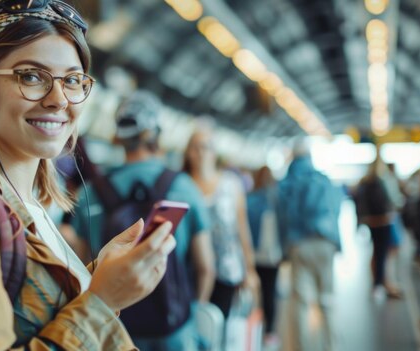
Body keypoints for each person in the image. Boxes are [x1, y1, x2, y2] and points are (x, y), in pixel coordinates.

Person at [0, 1, 177, 349]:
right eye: (31, 76)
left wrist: (97, 277)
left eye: (72, 80)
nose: (59, 99)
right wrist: (102, 302)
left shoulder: (28, 203)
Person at [71, 91, 215, 350]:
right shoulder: (184, 187)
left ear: (117, 136)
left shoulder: (89, 193)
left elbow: (82, 267)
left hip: (112, 331)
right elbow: (205, 266)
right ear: (156, 134)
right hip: (174, 332)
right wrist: (192, 313)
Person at [182, 128, 258, 321]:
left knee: (218, 326)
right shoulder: (180, 185)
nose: (201, 153)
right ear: (188, 152)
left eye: (206, 147)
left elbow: (242, 228)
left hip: (226, 269)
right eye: (195, 147)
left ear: (214, 153)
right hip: (188, 271)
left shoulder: (231, 184)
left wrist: (250, 269)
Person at [276, 139, 342, 351]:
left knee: (301, 304)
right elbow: (335, 210)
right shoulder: (322, 179)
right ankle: (331, 346)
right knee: (327, 300)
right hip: (325, 243)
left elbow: (282, 217)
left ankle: (301, 348)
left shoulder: (287, 182)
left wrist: (284, 249)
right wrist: (337, 243)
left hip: (299, 244)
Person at [355, 151, 404, 299]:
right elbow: (394, 200)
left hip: (372, 221)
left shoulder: (364, 181)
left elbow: (359, 204)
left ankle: (379, 283)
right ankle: (381, 283)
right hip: (385, 220)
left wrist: (361, 222)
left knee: (377, 252)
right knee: (384, 252)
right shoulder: (384, 180)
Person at [246, 166, 282, 348]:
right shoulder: (278, 199)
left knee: (252, 294)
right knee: (270, 292)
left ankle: (252, 329)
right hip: (271, 256)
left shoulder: (249, 198)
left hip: (253, 255)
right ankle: (270, 333)